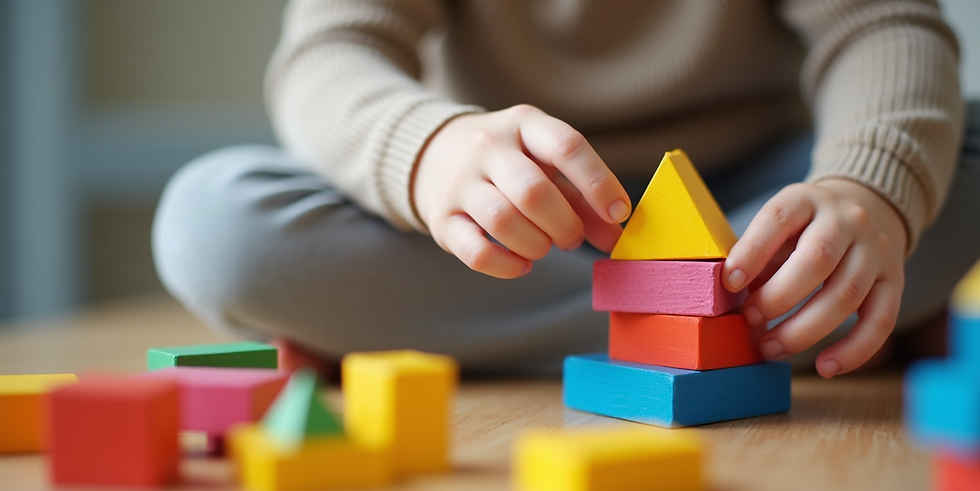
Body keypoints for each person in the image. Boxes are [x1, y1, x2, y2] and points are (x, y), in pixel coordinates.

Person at [152, 0, 980, 377]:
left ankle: (427, 334)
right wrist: (427, 149)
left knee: (952, 149)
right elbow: (329, 53)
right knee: (216, 221)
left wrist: (866, 193)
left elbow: (885, 25)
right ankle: (732, 326)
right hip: (505, 227)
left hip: (748, 215)